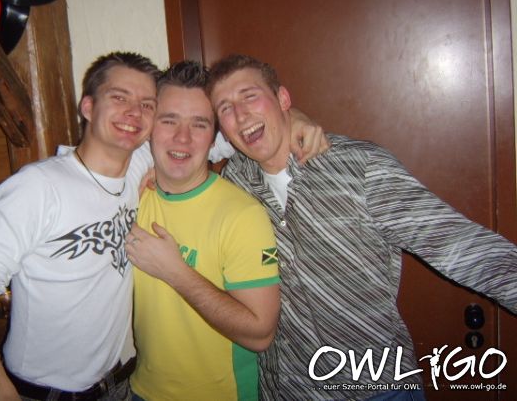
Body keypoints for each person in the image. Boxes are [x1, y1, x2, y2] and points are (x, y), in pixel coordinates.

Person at [206, 54, 517, 401]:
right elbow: (182, 144)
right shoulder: (235, 183)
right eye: (225, 108)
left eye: (250, 96)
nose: (240, 115)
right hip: (287, 391)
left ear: (282, 98)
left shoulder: (360, 168)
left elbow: (459, 246)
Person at [0, 52, 161, 400]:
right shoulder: (39, 187)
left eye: (147, 104)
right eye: (119, 97)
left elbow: (200, 140)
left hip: (111, 386)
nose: (135, 112)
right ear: (88, 107)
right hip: (38, 393)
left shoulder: (138, 164)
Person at [125, 61, 281, 401]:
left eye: (199, 124)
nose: (182, 137)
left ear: (214, 138)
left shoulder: (242, 216)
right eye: (169, 121)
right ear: (150, 128)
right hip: (141, 391)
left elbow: (260, 334)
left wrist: (176, 272)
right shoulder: (131, 199)